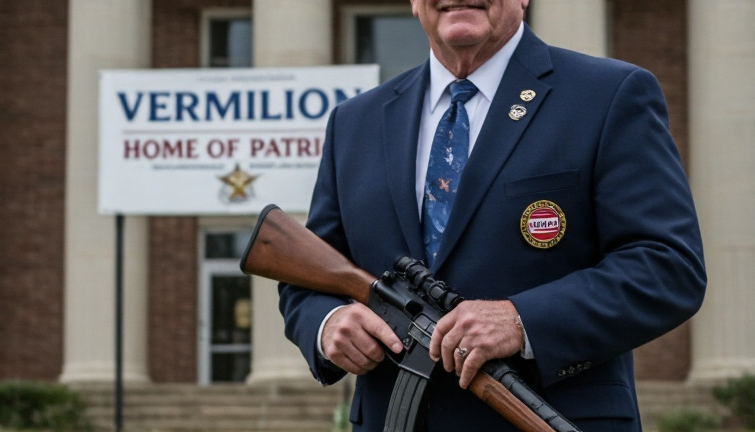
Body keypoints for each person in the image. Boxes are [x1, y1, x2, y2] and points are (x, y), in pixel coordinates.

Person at [278, 0, 706, 431]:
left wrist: (523, 320)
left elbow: (668, 266)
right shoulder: (355, 122)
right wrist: (328, 323)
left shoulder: (608, 95)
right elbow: (309, 277)